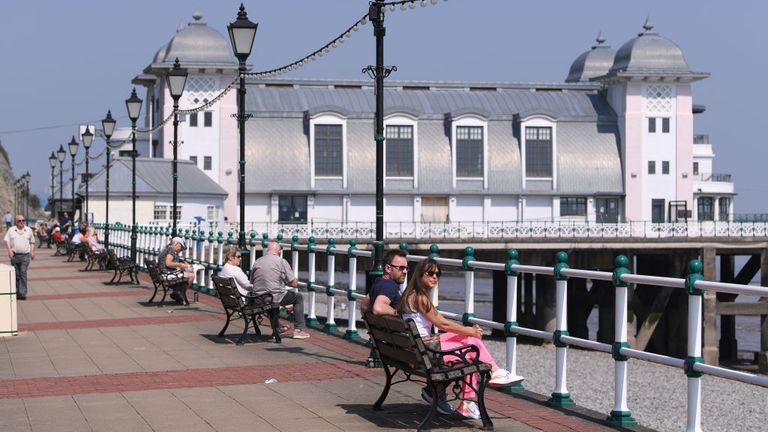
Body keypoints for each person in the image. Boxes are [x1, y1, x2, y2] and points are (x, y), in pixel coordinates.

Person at [396, 258, 523, 420]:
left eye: (438, 274)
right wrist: (470, 331)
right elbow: (442, 324)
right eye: (430, 273)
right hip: (425, 352)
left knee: (469, 354)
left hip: (417, 351)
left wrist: (468, 332)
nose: (435, 277)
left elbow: (441, 323)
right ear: (420, 275)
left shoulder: (410, 294)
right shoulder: (419, 298)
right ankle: (493, 374)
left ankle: (456, 398)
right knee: (471, 343)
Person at [250, 241, 310, 339]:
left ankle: (276, 329)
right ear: (279, 251)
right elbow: (293, 283)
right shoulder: (281, 262)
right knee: (298, 298)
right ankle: (298, 330)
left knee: (272, 296)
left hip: (258, 298)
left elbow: (252, 281)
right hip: (273, 297)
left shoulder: (258, 261)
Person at [360, 249, 408, 317]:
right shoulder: (390, 285)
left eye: (406, 268)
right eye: (401, 268)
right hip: (394, 327)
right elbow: (378, 308)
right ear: (388, 268)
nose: (405, 271)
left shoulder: (378, 283)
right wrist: (397, 313)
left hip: (382, 326)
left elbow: (364, 306)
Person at [4, 214, 35, 300]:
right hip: (15, 256)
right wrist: (9, 250)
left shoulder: (28, 230)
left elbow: (32, 241)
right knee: (17, 275)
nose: (22, 222)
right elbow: (6, 240)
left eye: (23, 220)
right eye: (19, 221)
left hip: (25, 256)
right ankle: (18, 292)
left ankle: (23, 293)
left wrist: (32, 251)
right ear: (16, 222)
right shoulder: (11, 230)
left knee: (23, 273)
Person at [157, 237, 194, 305]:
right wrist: (180, 265)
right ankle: (180, 293)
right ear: (176, 243)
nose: (181, 250)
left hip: (162, 273)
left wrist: (181, 262)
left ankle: (177, 292)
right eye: (181, 247)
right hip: (166, 274)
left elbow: (169, 260)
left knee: (183, 272)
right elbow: (168, 263)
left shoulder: (166, 248)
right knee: (191, 276)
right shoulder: (171, 250)